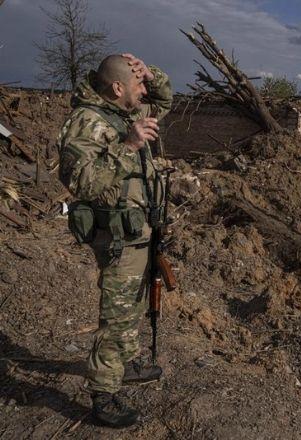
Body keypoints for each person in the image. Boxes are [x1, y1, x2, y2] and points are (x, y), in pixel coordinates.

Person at [57, 53, 173, 428]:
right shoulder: (86, 123)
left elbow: (166, 100)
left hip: (141, 230)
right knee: (117, 315)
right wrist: (128, 146)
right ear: (117, 88)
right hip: (117, 235)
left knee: (133, 306)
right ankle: (103, 394)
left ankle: (126, 361)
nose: (145, 91)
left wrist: (149, 70)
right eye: (138, 84)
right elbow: (83, 183)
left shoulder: (128, 113)